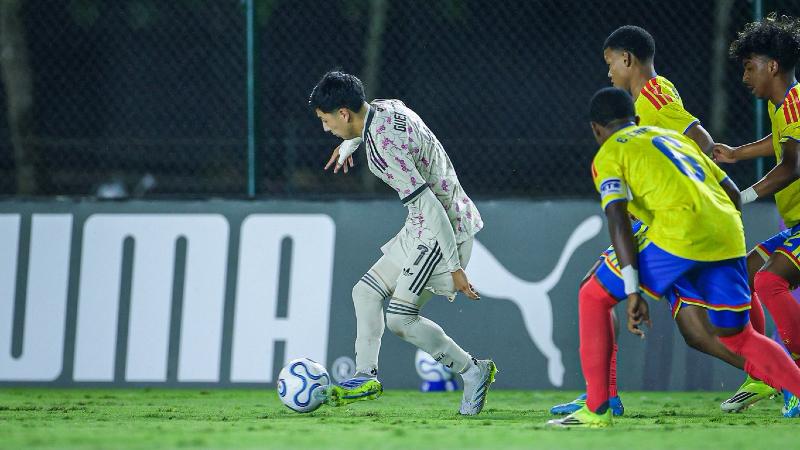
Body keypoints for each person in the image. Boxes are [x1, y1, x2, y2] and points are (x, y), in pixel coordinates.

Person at [550, 25, 773, 418]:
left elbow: (699, 139)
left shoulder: (652, 98)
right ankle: (606, 396)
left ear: (626, 59)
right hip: (668, 223)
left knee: (604, 296)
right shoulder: (655, 91)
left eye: (610, 64)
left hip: (669, 229)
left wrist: (709, 188)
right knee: (693, 331)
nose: (608, 74)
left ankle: (773, 377)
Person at [308, 70, 496, 415]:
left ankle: (473, 371)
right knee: (364, 292)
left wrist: (455, 268)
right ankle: (365, 375)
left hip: (443, 230)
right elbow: (382, 128)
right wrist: (350, 142)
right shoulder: (387, 107)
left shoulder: (382, 154)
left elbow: (432, 208)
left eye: (326, 120)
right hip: (425, 223)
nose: (326, 129)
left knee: (400, 318)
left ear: (344, 113)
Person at [713, 13, 800, 417]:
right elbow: (780, 144)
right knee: (744, 275)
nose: (746, 76)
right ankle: (765, 374)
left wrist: (742, 196)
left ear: (773, 66)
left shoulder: (796, 102)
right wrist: (737, 153)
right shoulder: (781, 104)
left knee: (769, 281)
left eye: (750, 67)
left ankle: (795, 376)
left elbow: (793, 165)